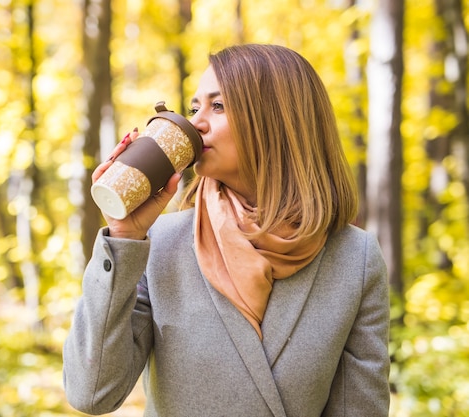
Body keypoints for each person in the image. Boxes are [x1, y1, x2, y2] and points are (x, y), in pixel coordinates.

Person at [63, 44, 390, 417]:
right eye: (194, 108)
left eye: (217, 106)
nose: (196, 123)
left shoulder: (354, 258)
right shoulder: (159, 244)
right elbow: (91, 393)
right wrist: (122, 237)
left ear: (278, 119)